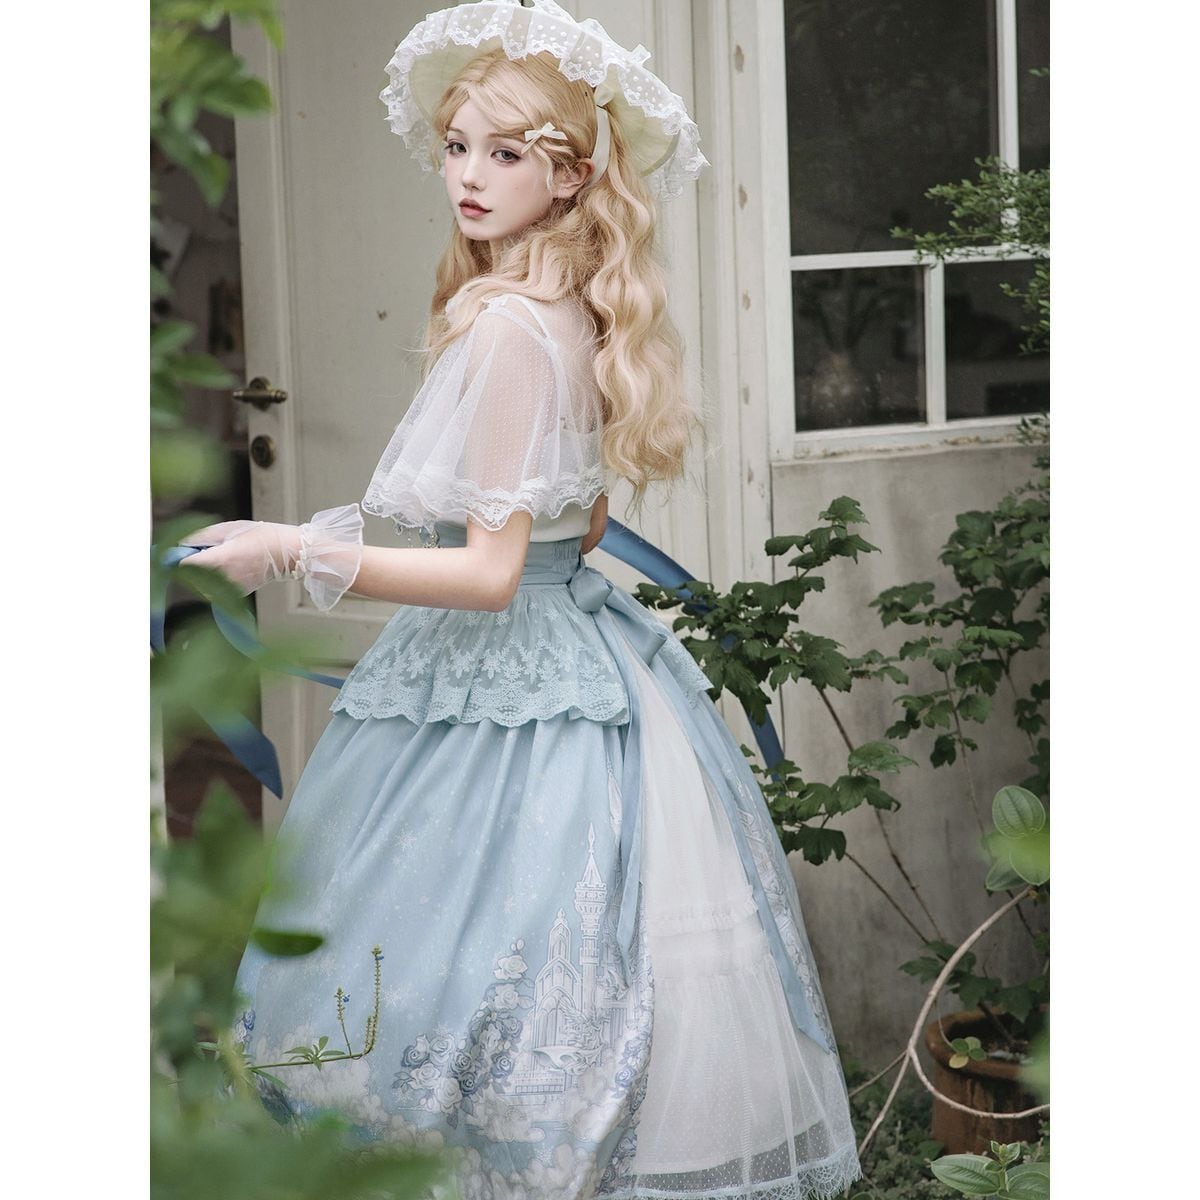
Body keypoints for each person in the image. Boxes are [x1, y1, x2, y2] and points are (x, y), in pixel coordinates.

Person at [184, 3, 863, 1197]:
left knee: (451, 953)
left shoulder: (508, 330)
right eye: (456, 146)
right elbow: (580, 530)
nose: (467, 175)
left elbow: (491, 575)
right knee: (576, 962)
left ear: (569, 175)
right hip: (590, 654)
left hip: (509, 667)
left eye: (505, 153)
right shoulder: (583, 310)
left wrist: (289, 547)